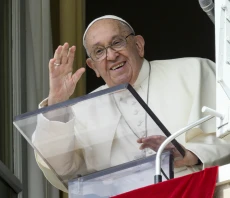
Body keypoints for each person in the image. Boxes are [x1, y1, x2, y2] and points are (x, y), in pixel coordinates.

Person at [33, 15, 230, 193]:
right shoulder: (83, 110)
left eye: (117, 42)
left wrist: (191, 154)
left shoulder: (195, 71)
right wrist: (56, 102)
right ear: (94, 67)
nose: (111, 55)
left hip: (193, 190)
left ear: (138, 45)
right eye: (99, 51)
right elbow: (61, 168)